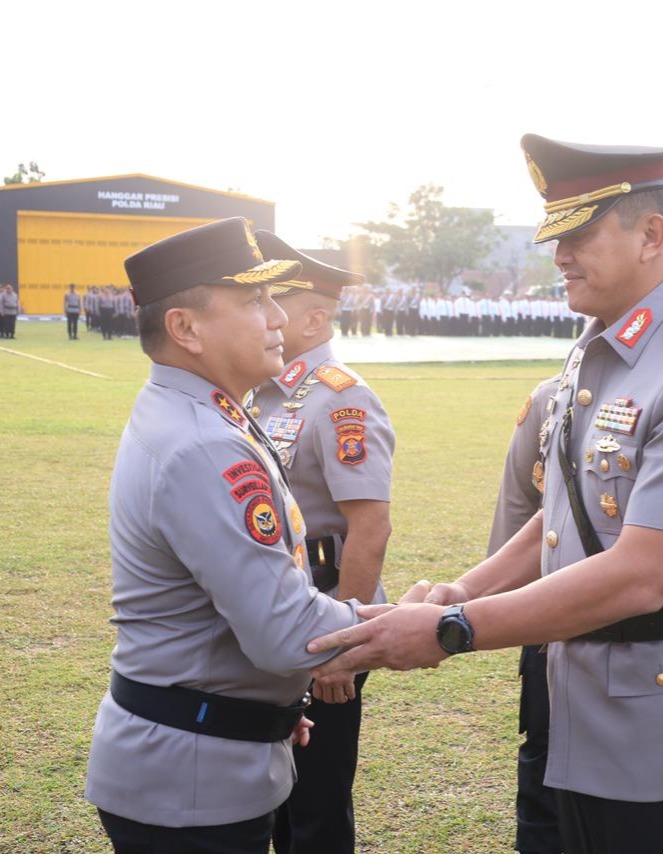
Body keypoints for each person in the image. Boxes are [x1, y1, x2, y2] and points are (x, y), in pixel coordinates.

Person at [306, 134, 663, 854]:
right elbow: (564, 518)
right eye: (554, 236)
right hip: (583, 694)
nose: (558, 255)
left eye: (579, 235)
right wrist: (461, 591)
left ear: (651, 235)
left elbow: (644, 572)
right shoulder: (601, 346)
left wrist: (452, 628)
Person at [84, 217, 367, 854]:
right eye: (254, 300)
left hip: (202, 756)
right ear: (186, 328)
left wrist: (265, 709)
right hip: (189, 783)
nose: (278, 317)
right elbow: (285, 632)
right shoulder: (203, 442)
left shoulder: (202, 412)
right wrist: (411, 624)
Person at [248, 230, 395, 854]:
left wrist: (345, 641)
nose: (264, 315)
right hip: (279, 606)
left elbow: (370, 526)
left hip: (324, 611)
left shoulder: (341, 398)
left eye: (273, 302)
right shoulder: (262, 390)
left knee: (315, 803)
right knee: (272, 790)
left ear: (313, 318)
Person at [487, 376, 563, 854]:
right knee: (545, 760)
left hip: (650, 635)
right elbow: (519, 503)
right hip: (551, 623)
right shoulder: (550, 396)